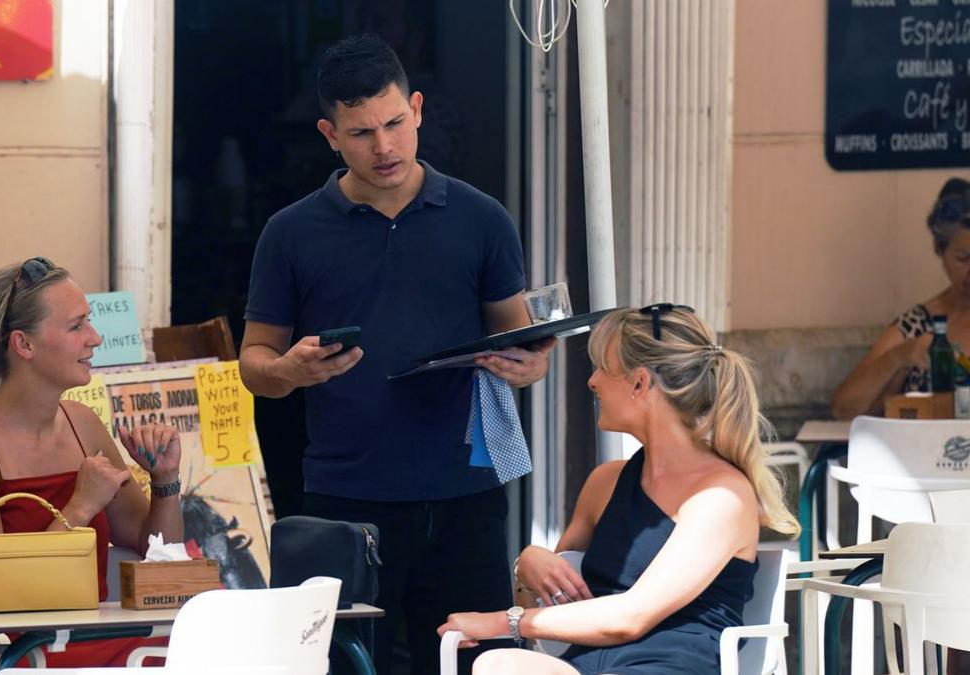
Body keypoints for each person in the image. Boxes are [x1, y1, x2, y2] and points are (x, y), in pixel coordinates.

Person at [239, 34, 554, 674]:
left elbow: (520, 342)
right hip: (344, 499)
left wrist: (532, 366)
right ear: (329, 134)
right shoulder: (290, 233)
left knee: (478, 665)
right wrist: (288, 371)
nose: (383, 147)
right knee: (345, 668)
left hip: (464, 498)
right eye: (360, 133)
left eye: (393, 124)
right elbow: (253, 365)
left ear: (416, 109)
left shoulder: (482, 218)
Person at [439, 305, 800, 674]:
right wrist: (529, 566)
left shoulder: (722, 497)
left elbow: (633, 616)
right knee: (496, 663)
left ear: (640, 383)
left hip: (668, 668)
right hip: (588, 666)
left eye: (602, 368)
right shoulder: (605, 482)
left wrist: (501, 621)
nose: (591, 382)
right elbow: (554, 611)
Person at [0, 257, 184, 669]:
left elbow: (158, 548)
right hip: (17, 654)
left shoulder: (83, 424)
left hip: (103, 643)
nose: (95, 338)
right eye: (76, 325)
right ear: (23, 344)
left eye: (90, 321)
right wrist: (80, 508)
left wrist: (165, 479)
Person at [832, 177, 970, 419]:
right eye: (963, 259)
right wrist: (899, 357)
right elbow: (844, 409)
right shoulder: (918, 324)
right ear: (940, 251)